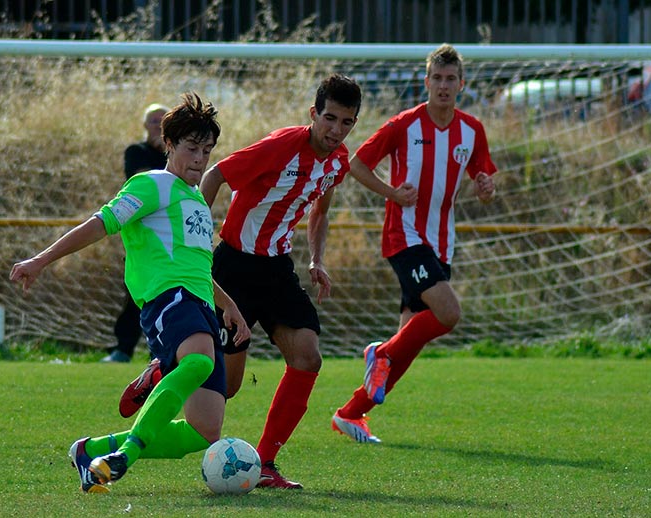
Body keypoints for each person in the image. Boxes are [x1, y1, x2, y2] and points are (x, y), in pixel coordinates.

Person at [9, 93, 250, 493]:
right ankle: (126, 456)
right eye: (191, 148)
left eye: (207, 150)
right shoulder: (152, 184)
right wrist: (41, 259)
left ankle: (92, 450)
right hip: (167, 298)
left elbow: (197, 267)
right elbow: (99, 223)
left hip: (201, 305)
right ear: (168, 145)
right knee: (199, 364)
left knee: (204, 431)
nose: (200, 159)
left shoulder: (197, 202)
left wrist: (230, 306)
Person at [200, 73, 362, 489]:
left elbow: (320, 212)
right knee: (228, 387)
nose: (336, 130)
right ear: (313, 114)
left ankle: (267, 464)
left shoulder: (339, 161)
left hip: (276, 270)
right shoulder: (280, 147)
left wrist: (317, 260)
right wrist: (194, 233)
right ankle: (161, 371)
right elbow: (216, 173)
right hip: (232, 269)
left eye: (347, 122)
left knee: (308, 357)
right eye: (330, 118)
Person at [331, 43, 497, 444]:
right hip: (404, 236)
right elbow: (355, 163)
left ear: (461, 84)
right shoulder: (404, 124)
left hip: (442, 243)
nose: (443, 85)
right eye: (436, 78)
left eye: (450, 79)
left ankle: (351, 413)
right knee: (449, 313)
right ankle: (380, 354)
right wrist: (391, 192)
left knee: (410, 340)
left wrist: (486, 185)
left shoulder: (471, 130)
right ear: (426, 82)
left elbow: (483, 177)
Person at [102, 103, 169, 363]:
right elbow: (143, 182)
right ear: (145, 125)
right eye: (154, 121)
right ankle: (123, 349)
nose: (158, 125)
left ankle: (161, 352)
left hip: (171, 234)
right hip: (143, 234)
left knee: (168, 290)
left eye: (163, 121)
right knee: (137, 292)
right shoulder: (137, 151)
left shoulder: (180, 156)